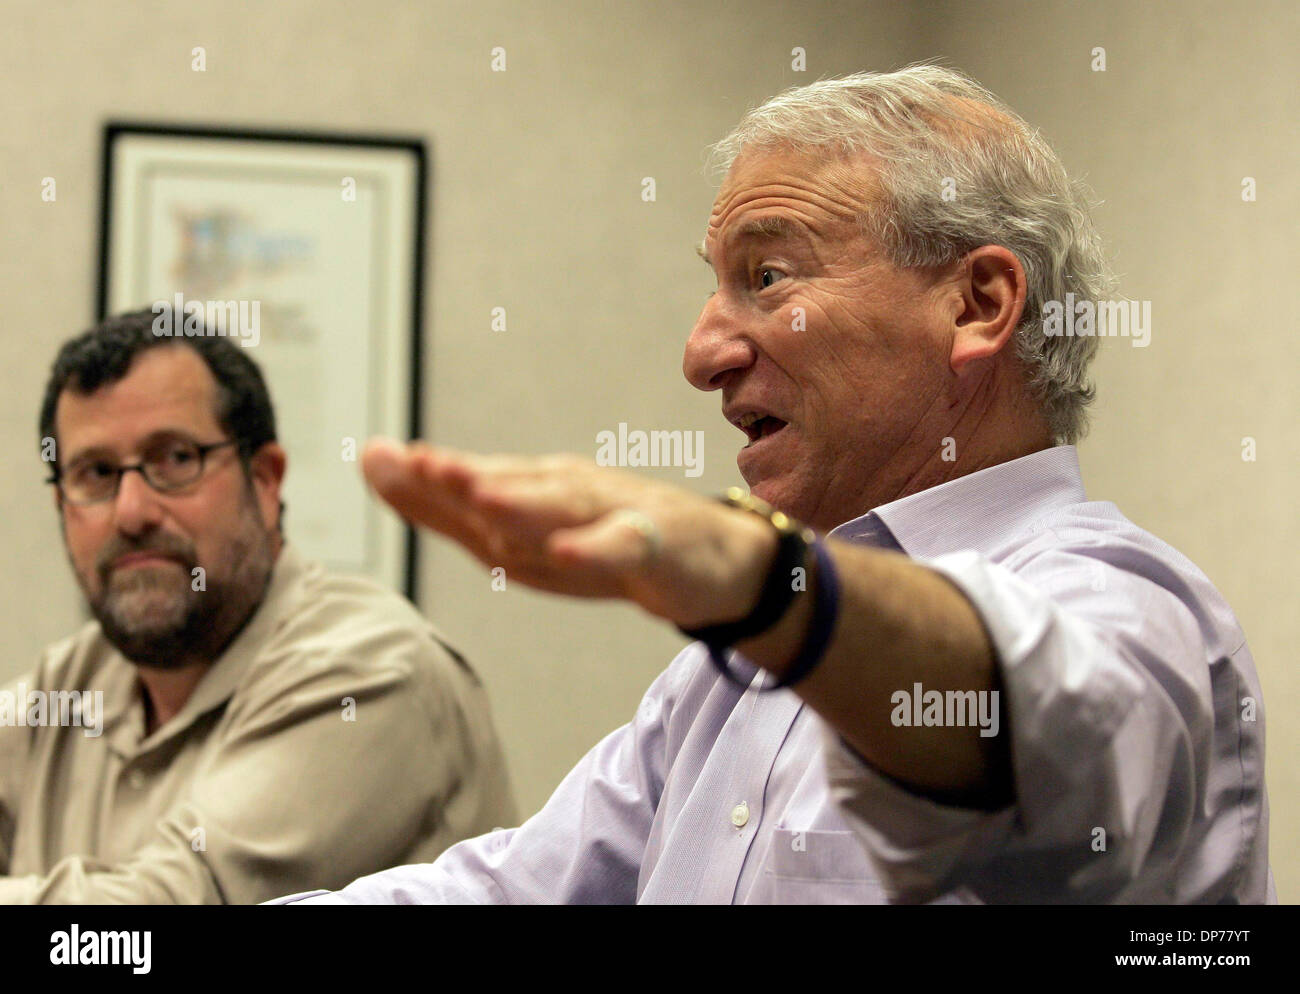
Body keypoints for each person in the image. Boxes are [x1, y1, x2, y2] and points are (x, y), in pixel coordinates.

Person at [276, 64, 1271, 904]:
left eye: (768, 277)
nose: (702, 350)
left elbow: (1040, 719)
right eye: (716, 283)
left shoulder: (1133, 607)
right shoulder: (731, 669)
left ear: (977, 305)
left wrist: (759, 578)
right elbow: (503, 891)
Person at [0, 310, 516, 903]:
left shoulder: (372, 671)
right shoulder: (71, 686)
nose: (131, 511)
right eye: (95, 473)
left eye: (174, 459)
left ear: (266, 480)